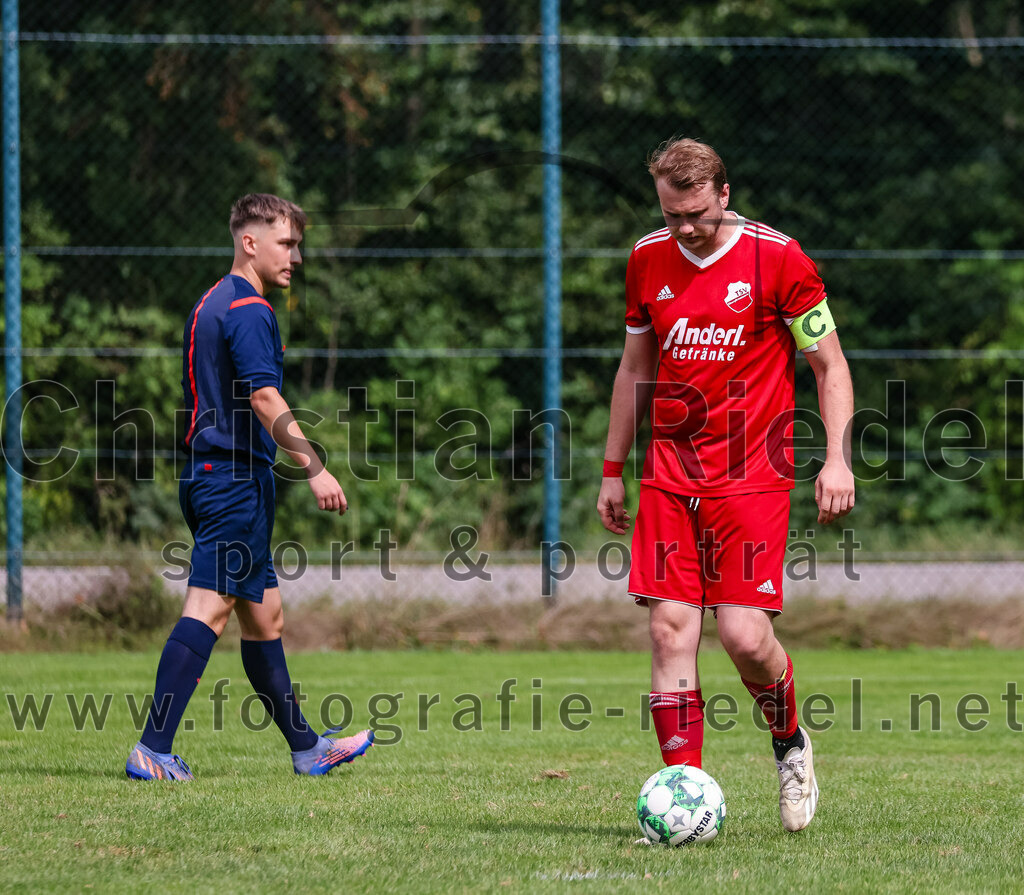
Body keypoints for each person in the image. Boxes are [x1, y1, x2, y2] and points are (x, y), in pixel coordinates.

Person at [597, 138, 854, 832]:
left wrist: (837, 457)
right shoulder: (648, 259)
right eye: (672, 213)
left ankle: (790, 740)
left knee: (743, 636)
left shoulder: (780, 257)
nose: (684, 228)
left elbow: (830, 366)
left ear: (724, 194)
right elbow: (633, 369)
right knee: (669, 627)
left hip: (753, 474)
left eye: (697, 214)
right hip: (671, 473)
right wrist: (613, 468)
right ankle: (685, 791)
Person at [126, 193, 373, 780]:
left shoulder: (211, 302)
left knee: (265, 619)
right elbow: (264, 397)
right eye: (286, 244)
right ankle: (152, 750)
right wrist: (314, 466)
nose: (296, 257)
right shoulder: (248, 309)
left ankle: (308, 749)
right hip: (232, 481)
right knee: (209, 611)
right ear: (250, 241)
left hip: (216, 476)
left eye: (298, 245)